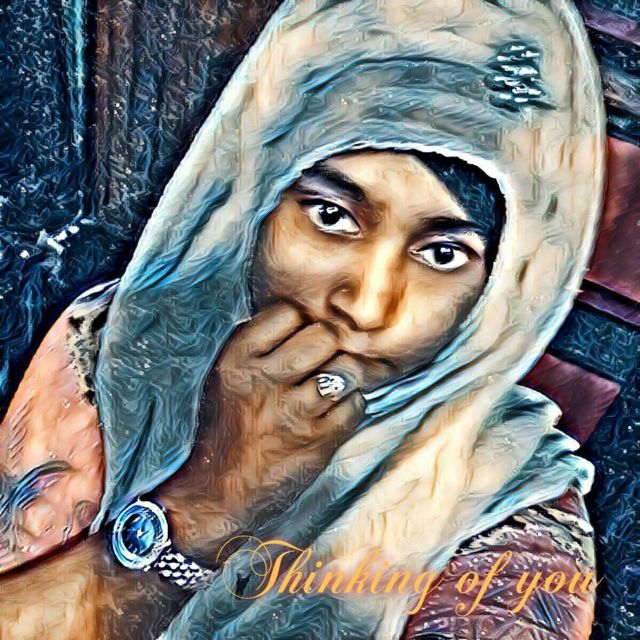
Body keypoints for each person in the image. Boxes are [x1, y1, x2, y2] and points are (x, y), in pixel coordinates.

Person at [0, 0, 605, 638]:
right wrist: (208, 507)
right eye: (331, 216)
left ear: (509, 290)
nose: (366, 306)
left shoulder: (511, 519)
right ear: (251, 198)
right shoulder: (122, 344)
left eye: (443, 255)